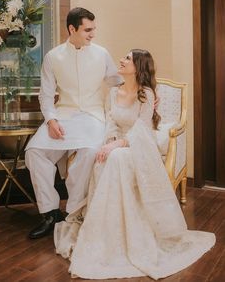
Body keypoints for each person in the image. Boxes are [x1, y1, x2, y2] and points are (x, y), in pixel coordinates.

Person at [54, 49, 216, 280]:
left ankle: (133, 234)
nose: (121, 60)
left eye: (127, 58)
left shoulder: (147, 93)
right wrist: (109, 143)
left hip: (139, 144)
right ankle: (106, 232)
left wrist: (117, 146)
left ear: (138, 66)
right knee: (103, 158)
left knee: (117, 157)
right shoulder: (113, 92)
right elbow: (110, 121)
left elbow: (142, 129)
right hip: (117, 141)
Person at [25, 7, 123, 239]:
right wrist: (51, 120)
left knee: (89, 152)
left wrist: (144, 90)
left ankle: (73, 212)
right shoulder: (53, 56)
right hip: (63, 115)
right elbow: (46, 95)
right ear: (72, 29)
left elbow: (116, 81)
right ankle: (50, 213)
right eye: (88, 30)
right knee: (34, 152)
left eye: (94, 29)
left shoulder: (101, 53)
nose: (93, 34)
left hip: (92, 116)